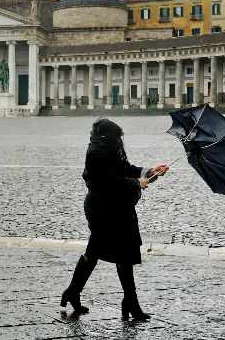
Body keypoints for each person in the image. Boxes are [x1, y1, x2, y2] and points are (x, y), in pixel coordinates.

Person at [60, 118, 168, 320]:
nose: (120, 140)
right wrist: (137, 184)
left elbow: (125, 169)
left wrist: (149, 172)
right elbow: (108, 183)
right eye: (118, 136)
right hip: (103, 209)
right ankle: (77, 292)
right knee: (98, 251)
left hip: (116, 206)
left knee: (121, 252)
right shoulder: (96, 153)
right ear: (109, 136)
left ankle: (128, 301)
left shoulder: (108, 148)